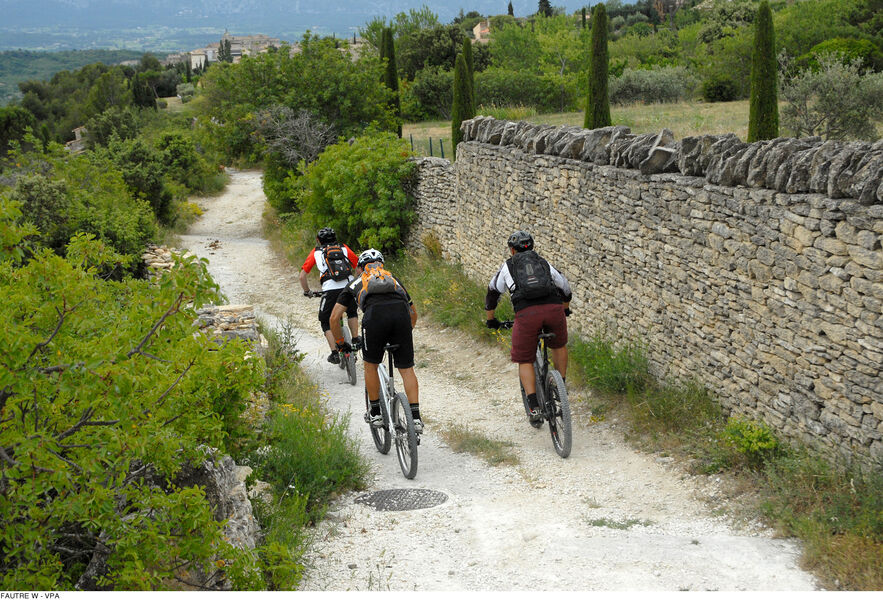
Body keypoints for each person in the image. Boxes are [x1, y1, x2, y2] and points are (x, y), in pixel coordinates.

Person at [329, 248, 422, 433]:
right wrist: (404, 333)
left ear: (360, 268)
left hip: (375, 318)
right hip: (401, 318)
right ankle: (416, 418)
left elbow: (334, 318)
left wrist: (340, 343)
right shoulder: (393, 279)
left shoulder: (355, 282)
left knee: (370, 365)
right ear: (381, 265)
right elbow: (413, 314)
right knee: (407, 369)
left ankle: (376, 413)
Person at [485, 230, 572, 424]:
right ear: (532, 247)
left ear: (512, 250)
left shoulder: (507, 266)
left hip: (527, 314)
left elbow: (493, 292)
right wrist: (565, 309)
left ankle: (534, 407)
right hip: (554, 309)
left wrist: (491, 320)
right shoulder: (543, 262)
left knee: (525, 359)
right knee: (558, 345)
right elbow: (565, 287)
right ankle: (561, 388)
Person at [299, 227, 360, 364]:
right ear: (335, 238)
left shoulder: (316, 252)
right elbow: (358, 266)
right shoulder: (343, 247)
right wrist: (355, 282)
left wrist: (307, 291)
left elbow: (302, 276)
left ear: (318, 240)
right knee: (352, 312)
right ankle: (356, 339)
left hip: (330, 290)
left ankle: (335, 353)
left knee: (325, 320)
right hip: (348, 286)